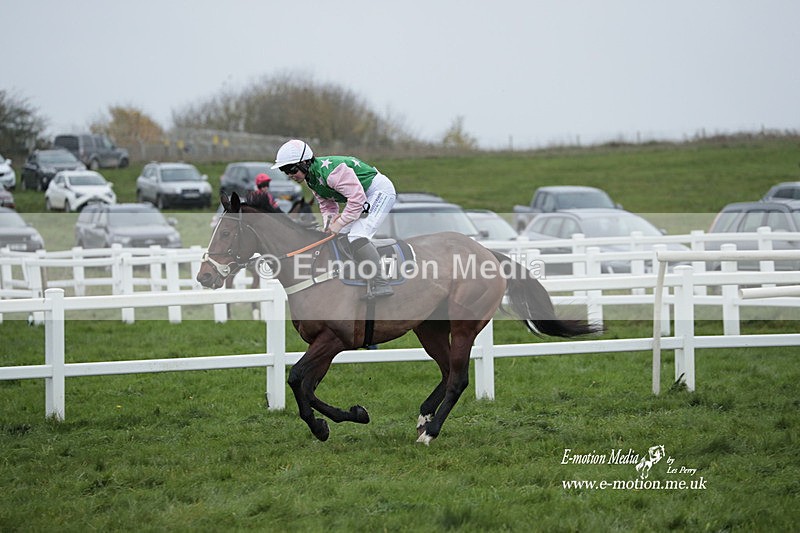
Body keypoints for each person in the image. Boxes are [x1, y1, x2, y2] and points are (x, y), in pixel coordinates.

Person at [272, 139, 396, 298]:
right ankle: (358, 272)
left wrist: (340, 223)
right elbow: (327, 206)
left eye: (291, 169)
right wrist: (329, 226)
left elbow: (357, 200)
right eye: (284, 170)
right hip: (364, 196)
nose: (289, 175)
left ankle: (381, 282)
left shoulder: (331, 173)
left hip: (379, 191)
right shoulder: (312, 179)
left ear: (304, 163)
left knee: (357, 235)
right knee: (337, 235)